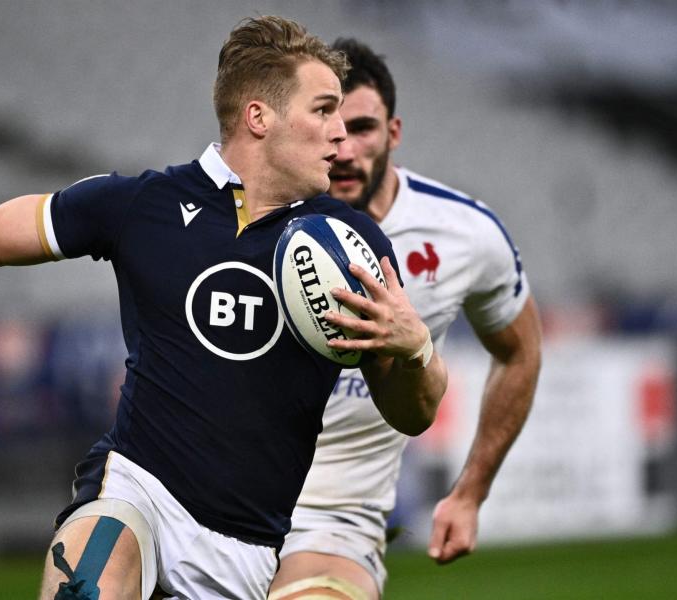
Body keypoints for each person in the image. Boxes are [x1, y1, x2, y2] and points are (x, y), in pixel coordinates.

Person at [0, 18, 448, 600]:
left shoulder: (348, 243)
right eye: (323, 110)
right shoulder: (145, 204)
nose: (341, 132)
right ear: (259, 117)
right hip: (137, 490)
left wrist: (413, 346)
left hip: (245, 550)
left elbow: (412, 412)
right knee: (89, 574)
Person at [270, 39, 543, 600]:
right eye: (328, 125)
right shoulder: (253, 221)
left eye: (362, 127)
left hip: (336, 521)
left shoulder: (463, 233)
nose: (344, 148)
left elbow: (521, 350)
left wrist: (470, 493)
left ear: (393, 133)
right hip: (212, 495)